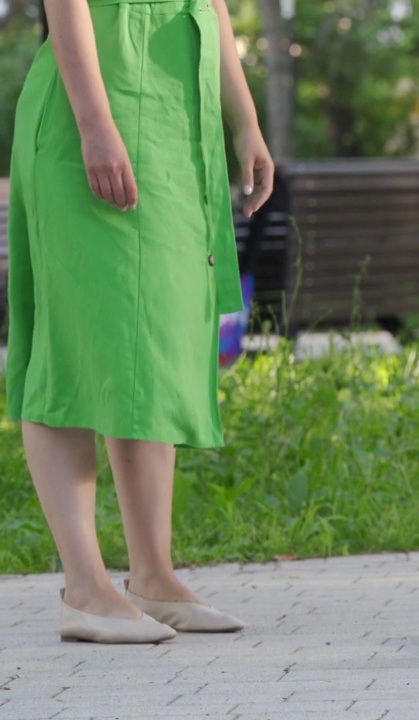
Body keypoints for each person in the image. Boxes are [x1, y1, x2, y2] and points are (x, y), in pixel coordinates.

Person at [8, 0, 274, 642]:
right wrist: (94, 122)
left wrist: (245, 120)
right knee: (73, 346)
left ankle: (154, 577)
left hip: (177, 113)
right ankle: (85, 588)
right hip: (91, 103)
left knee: (151, 340)